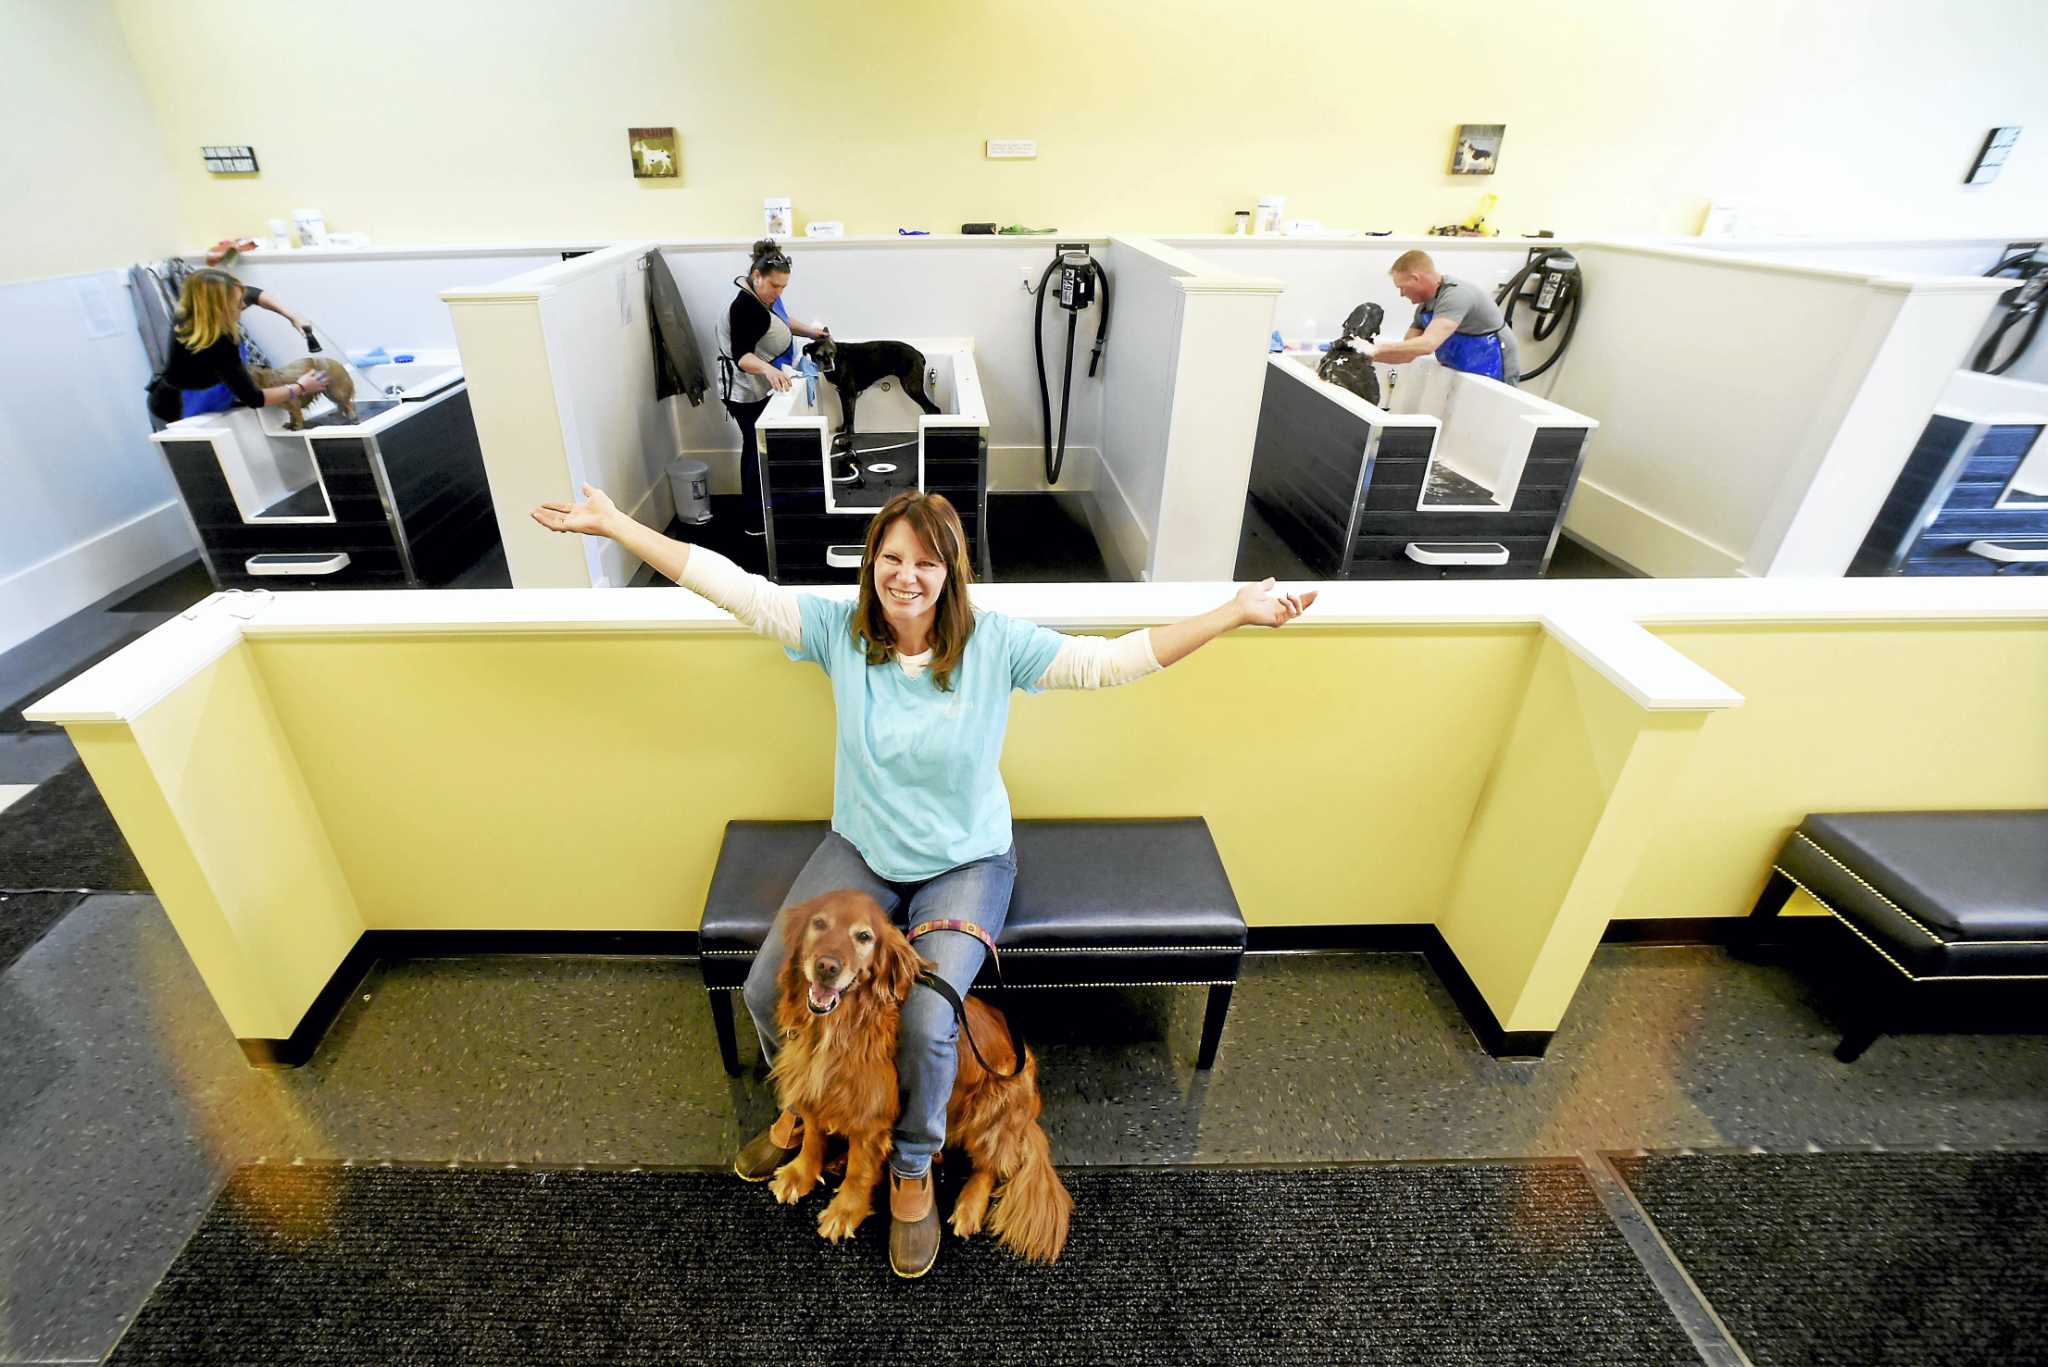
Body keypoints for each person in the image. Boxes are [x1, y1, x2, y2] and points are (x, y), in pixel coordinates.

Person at [530, 485, 1315, 1277]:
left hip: (965, 863)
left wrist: (1236, 609)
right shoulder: (841, 633)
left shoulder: (993, 643)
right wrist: (616, 524)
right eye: (891, 559)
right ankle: (805, 1116)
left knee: (926, 1024)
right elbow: (731, 586)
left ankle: (911, 1168)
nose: (905, 576)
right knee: (768, 983)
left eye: (925, 562)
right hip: (864, 851)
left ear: (950, 572)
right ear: (872, 563)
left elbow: (1111, 662)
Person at [714, 239, 830, 536]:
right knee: (755, 448)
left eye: (783, 287)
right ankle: (753, 519)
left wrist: (811, 332)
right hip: (744, 390)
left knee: (765, 446)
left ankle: (769, 505)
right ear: (757, 277)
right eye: (775, 286)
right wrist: (768, 369)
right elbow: (742, 356)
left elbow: (783, 322)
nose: (779, 292)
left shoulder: (766, 298)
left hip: (762, 384)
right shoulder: (744, 307)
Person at [145, 268, 328, 423]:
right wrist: (301, 387)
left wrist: (291, 316)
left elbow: (255, 294)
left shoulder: (193, 312)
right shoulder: (218, 343)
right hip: (177, 408)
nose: (243, 305)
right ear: (218, 308)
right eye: (237, 302)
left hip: (200, 393)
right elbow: (255, 398)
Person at [1366, 249, 1522, 387]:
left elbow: (1428, 344)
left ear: (1415, 278)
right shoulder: (1425, 308)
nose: (1401, 294)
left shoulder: (1455, 295)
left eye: (1401, 287)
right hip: (1462, 367)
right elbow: (1408, 352)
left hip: (1493, 362)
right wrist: (1362, 357)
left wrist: (1373, 348)